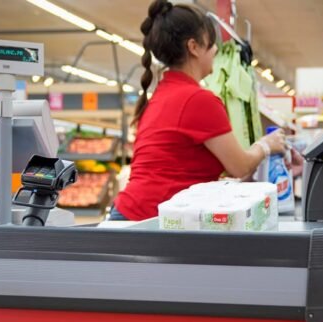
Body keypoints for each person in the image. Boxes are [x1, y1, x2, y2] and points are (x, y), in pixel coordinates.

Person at [110, 0, 288, 221]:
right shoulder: (198, 100)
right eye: (211, 44)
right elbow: (240, 166)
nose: (215, 50)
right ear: (193, 47)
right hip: (148, 221)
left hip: (132, 215)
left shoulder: (161, 95)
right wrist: (266, 145)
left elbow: (180, 167)